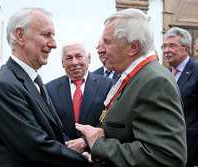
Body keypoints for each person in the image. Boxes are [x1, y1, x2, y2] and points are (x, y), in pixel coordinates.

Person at [75, 8, 187, 167]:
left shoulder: (154, 81)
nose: (100, 49)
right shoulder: (137, 76)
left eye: (108, 42)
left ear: (133, 46)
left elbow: (166, 157)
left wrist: (100, 144)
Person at [0, 8, 92, 167]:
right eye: (46, 35)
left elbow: (53, 136)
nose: (53, 44)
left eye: (53, 36)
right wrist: (86, 161)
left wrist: (82, 145)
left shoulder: (33, 79)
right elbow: (35, 148)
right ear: (20, 36)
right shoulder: (4, 85)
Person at [45, 38, 114, 154]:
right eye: (69, 58)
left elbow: (110, 119)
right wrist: (69, 145)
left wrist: (85, 141)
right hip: (63, 153)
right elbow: (48, 123)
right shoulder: (49, 89)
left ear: (89, 58)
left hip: (97, 155)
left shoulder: (108, 85)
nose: (74, 62)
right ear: (62, 63)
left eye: (79, 56)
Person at [163, 27, 198, 167]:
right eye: (164, 46)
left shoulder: (196, 71)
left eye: (172, 46)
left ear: (186, 49)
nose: (166, 50)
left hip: (191, 148)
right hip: (165, 146)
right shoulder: (165, 72)